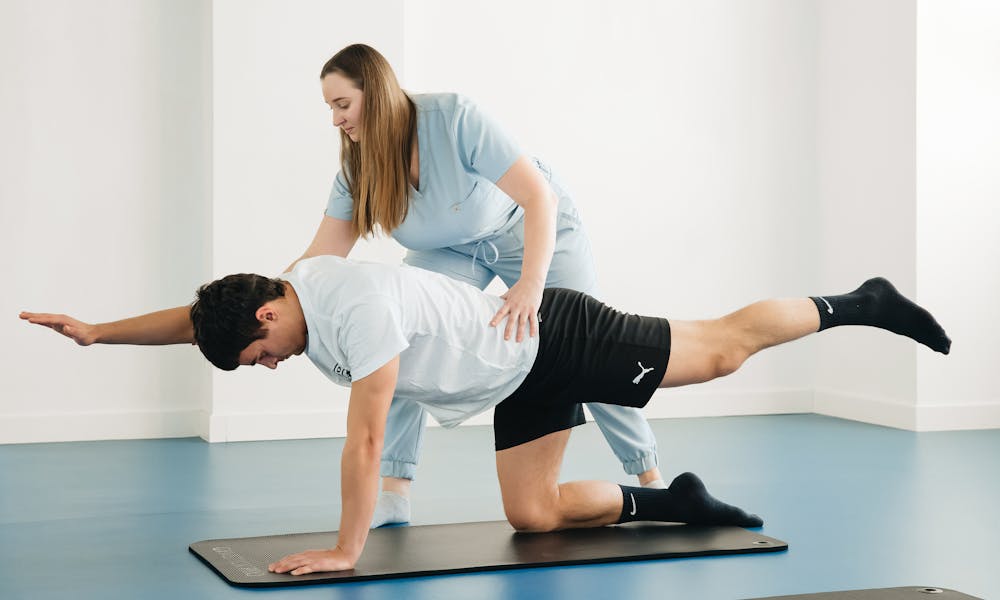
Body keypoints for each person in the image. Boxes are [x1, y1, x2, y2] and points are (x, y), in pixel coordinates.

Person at [21, 43, 668, 526]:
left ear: (374, 94)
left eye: (341, 103)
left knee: (588, 353)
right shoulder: (358, 172)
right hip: (452, 249)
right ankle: (395, 492)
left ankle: (648, 475)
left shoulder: (454, 118)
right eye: (328, 107)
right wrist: (100, 332)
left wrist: (529, 285)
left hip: (532, 225)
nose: (334, 119)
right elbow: (286, 285)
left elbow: (538, 197)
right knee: (397, 342)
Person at [22, 255, 952, 574]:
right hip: (516, 375)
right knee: (534, 516)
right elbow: (198, 318)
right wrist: (99, 332)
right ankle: (676, 502)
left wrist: (346, 549)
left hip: (558, 337)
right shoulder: (288, 289)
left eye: (258, 357)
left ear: (267, 317)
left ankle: (860, 302)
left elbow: (366, 437)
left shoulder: (357, 310)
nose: (264, 369)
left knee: (719, 351)